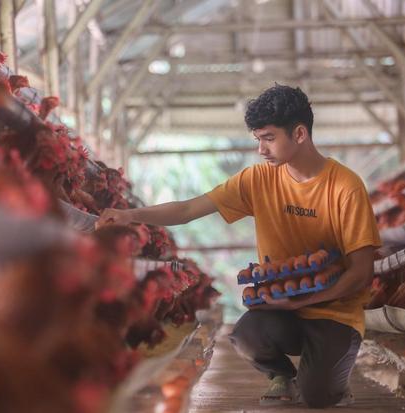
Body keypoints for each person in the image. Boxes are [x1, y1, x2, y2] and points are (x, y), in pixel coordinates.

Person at [97, 84, 381, 408]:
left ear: (300, 134)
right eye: (258, 139)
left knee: (318, 397)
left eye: (269, 138)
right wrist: (130, 215)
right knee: (246, 334)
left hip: (335, 313)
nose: (261, 149)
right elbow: (188, 209)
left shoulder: (345, 187)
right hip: (283, 310)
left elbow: (361, 273)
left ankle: (331, 379)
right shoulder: (257, 180)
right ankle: (281, 375)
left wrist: (305, 298)